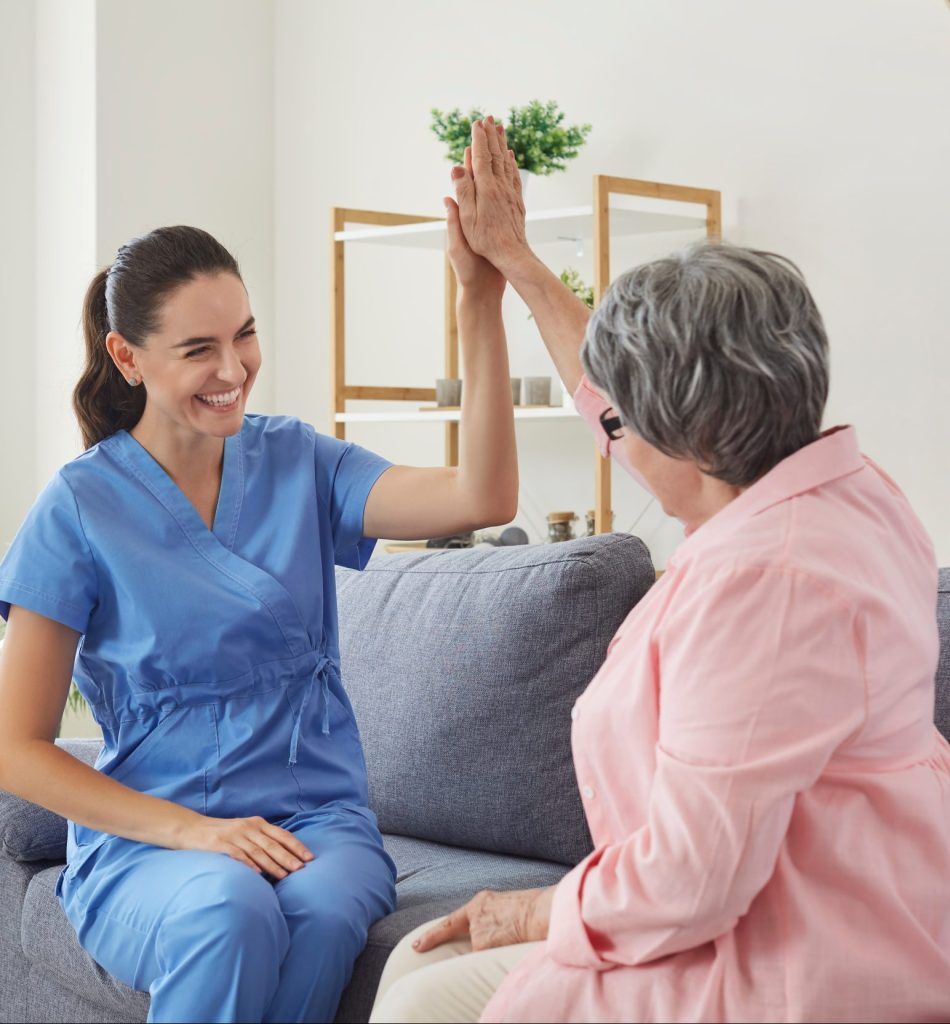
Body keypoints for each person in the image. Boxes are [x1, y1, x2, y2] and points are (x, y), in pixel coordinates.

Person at [369, 116, 950, 1023]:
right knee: (414, 960)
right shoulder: (834, 483)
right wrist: (516, 264)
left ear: (695, 436)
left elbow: (690, 881)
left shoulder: (770, 583)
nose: (611, 435)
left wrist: (534, 907)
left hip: (793, 957)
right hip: (815, 901)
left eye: (622, 427)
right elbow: (620, 400)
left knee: (421, 1003)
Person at [0, 209, 517, 1023]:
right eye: (199, 349)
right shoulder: (78, 508)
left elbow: (479, 497)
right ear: (126, 357)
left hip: (317, 819)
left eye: (244, 335)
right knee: (227, 907)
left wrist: (478, 300)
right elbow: (15, 750)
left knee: (319, 908)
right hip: (152, 843)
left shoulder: (301, 461)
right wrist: (194, 833)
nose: (234, 367)